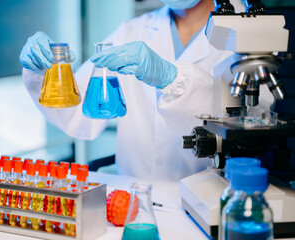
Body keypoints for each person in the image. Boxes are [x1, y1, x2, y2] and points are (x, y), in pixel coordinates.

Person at [19, 0, 273, 181]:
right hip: (133, 198)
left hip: (209, 199)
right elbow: (77, 114)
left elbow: (255, 119)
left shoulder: (250, 29)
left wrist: (171, 78)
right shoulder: (133, 30)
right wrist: (42, 72)